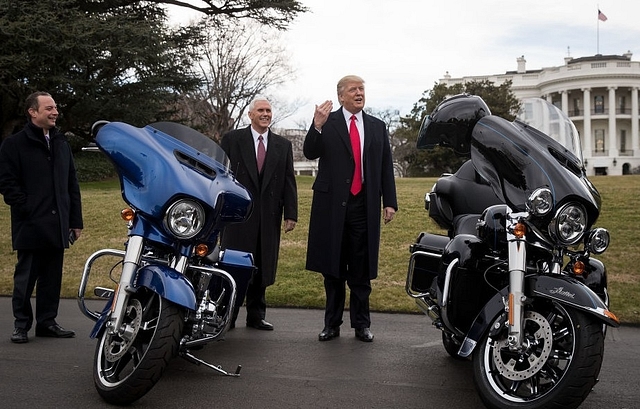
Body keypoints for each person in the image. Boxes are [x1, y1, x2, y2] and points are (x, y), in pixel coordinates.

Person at [303, 75, 397, 343]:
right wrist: (316, 126)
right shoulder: (327, 123)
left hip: (363, 205)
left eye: (362, 89)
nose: (359, 93)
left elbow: (385, 166)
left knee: (361, 269)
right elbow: (310, 152)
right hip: (332, 206)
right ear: (341, 96)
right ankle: (331, 324)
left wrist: (389, 201)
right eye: (353, 89)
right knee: (332, 269)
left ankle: (361, 325)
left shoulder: (377, 126)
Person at [0, 91, 84, 343]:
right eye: (48, 108)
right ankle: (21, 325)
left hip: (58, 225)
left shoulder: (61, 144)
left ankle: (47, 322)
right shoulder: (13, 145)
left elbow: (72, 184)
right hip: (30, 224)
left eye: (55, 107)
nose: (55, 112)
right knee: (25, 279)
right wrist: (27, 208)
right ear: (32, 112)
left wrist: (75, 221)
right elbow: (7, 183)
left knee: (52, 278)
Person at [220, 96, 298, 331]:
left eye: (268, 110)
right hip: (237, 215)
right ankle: (228, 316)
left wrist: (290, 214)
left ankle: (256, 316)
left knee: (262, 266)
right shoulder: (233, 140)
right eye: (261, 110)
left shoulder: (282, 146)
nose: (266, 114)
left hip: (269, 216)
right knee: (234, 265)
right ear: (250, 114)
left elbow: (288, 181)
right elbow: (220, 174)